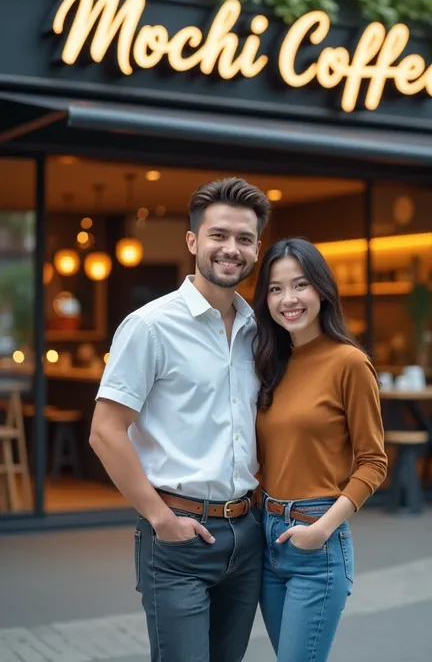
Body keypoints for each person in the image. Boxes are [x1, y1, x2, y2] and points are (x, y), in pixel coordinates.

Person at [90, 177, 271, 662]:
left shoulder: (260, 330)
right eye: (219, 235)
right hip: (178, 538)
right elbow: (105, 430)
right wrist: (160, 518)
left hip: (246, 533)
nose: (231, 249)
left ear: (257, 249)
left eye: (244, 239)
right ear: (193, 241)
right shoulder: (151, 325)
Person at [253, 237, 388, 662]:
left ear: (322, 291)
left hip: (317, 541)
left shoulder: (349, 363)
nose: (288, 299)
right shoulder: (270, 362)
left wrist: (321, 529)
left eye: (300, 285)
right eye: (275, 288)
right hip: (267, 535)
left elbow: (373, 462)